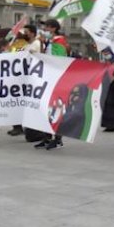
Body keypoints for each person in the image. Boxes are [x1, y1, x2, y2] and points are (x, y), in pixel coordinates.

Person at [34, 19, 68, 150]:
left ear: (53, 28)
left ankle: (57, 139)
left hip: (56, 79)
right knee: (45, 109)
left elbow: (58, 60)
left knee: (55, 109)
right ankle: (47, 137)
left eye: (47, 27)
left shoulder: (59, 41)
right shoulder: (50, 41)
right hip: (47, 77)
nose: (45, 30)